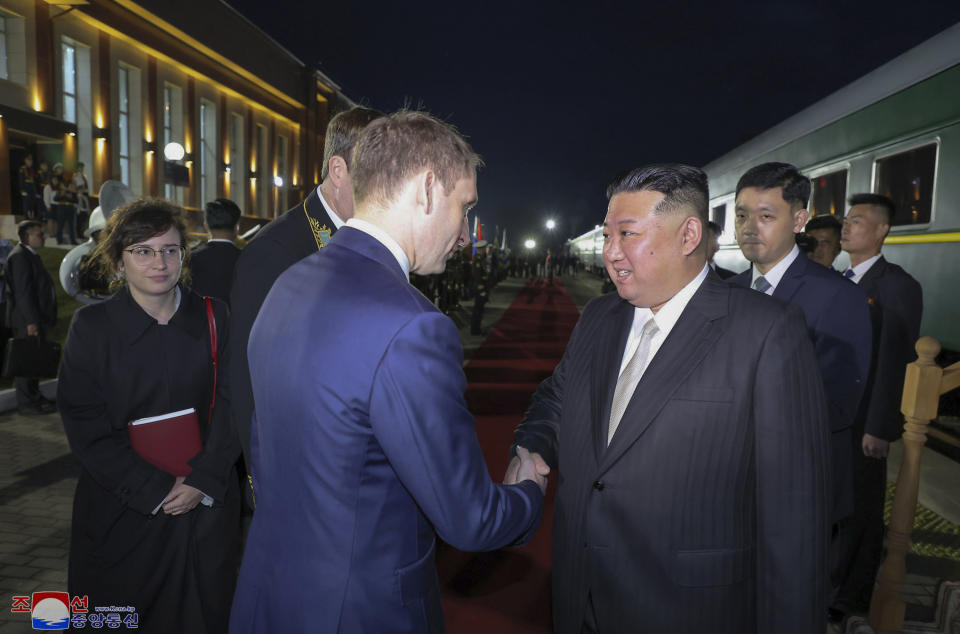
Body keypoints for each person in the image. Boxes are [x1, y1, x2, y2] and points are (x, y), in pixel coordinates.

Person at [231, 111, 546, 634]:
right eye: (464, 206)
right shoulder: (414, 324)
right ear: (426, 189)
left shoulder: (290, 280)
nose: (465, 234)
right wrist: (527, 492)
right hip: (359, 610)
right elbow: (468, 518)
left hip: (270, 593)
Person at [510, 164, 831, 633]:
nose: (611, 253)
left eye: (627, 234)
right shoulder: (600, 316)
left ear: (688, 236)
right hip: (581, 596)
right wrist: (532, 445)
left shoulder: (766, 331)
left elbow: (794, 518)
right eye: (606, 237)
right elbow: (557, 397)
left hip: (688, 609)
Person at [58, 199, 241, 633]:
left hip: (204, 513)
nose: (159, 262)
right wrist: (155, 488)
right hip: (124, 513)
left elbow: (235, 404)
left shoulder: (216, 316)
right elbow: (85, 425)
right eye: (143, 250)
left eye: (170, 249)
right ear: (119, 261)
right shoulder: (92, 328)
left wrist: (203, 479)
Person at [729, 162, 872, 602]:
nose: (750, 228)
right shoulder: (728, 292)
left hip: (797, 491)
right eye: (741, 215)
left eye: (766, 216)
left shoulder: (837, 296)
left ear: (798, 219)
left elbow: (837, 403)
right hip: (728, 488)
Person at [228, 106, 383, 493]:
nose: (387, 191)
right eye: (378, 176)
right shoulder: (277, 250)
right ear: (338, 170)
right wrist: (262, 477)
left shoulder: (366, 239)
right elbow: (247, 375)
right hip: (297, 469)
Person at [832, 193, 923, 619]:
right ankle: (829, 583)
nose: (846, 227)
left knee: (862, 513)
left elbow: (894, 358)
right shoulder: (840, 279)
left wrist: (880, 427)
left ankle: (851, 598)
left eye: (858, 221)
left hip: (863, 423)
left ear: (882, 230)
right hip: (831, 419)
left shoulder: (897, 286)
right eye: (846, 220)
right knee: (833, 505)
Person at [5, 220, 57, 415]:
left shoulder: (29, 255)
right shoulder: (20, 257)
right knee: (25, 362)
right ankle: (27, 404)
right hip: (27, 320)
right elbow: (23, 293)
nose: (43, 237)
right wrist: (31, 322)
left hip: (34, 318)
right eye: (39, 234)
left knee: (33, 360)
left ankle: (34, 397)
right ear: (27, 237)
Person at [190, 198, 242, 305]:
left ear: (206, 225)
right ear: (237, 226)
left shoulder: (192, 258)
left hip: (201, 320)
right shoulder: (246, 259)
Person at [470, 239, 490, 335]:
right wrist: (482, 289)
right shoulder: (478, 261)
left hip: (482, 288)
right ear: (479, 250)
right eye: (483, 249)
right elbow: (478, 276)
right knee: (478, 309)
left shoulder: (482, 260)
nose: (484, 251)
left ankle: (476, 328)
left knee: (480, 309)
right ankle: (475, 329)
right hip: (479, 289)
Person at [18, 155, 37, 220]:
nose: (30, 162)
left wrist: (35, 191)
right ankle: (26, 218)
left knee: (32, 204)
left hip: (32, 189)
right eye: (28, 160)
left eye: (31, 160)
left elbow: (34, 181)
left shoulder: (32, 170)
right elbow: (21, 180)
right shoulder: (22, 169)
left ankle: (31, 217)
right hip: (26, 188)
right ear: (25, 161)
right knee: (26, 204)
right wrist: (22, 189)